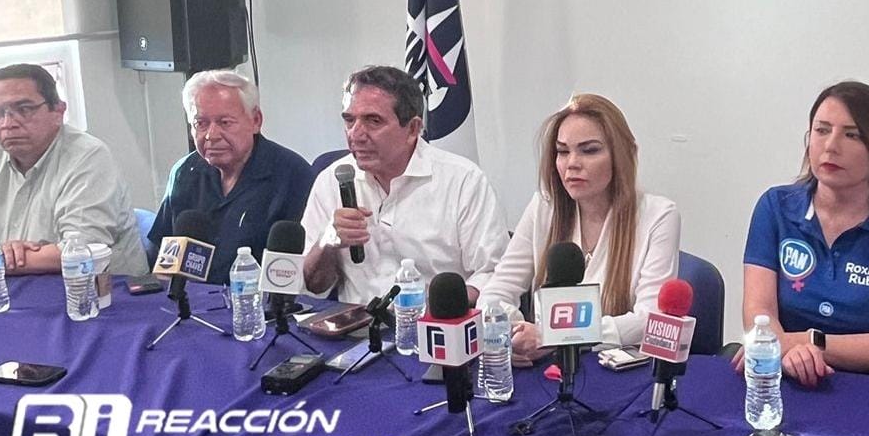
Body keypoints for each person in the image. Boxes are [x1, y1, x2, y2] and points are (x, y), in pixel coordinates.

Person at [733, 81, 869, 386]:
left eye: (851, 135)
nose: (831, 146)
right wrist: (787, 352)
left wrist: (807, 343)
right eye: (822, 130)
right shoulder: (775, 207)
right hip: (784, 375)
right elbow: (759, 313)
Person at [478, 94, 681, 365]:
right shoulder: (544, 207)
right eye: (563, 151)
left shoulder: (658, 215)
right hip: (547, 369)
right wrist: (510, 334)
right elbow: (494, 294)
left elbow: (651, 320)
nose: (572, 163)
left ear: (621, 156)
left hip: (618, 373)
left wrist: (553, 336)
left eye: (589, 150)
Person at [300, 65, 508, 303]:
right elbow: (313, 286)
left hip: (434, 320)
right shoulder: (331, 180)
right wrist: (328, 241)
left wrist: (439, 304)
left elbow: (494, 274)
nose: (355, 134)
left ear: (413, 129)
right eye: (349, 120)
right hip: (356, 323)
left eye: (373, 121)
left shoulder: (463, 181)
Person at [0, 64, 146, 278]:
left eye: (24, 109)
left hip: (100, 290)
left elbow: (81, 251)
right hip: (9, 285)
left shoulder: (89, 156)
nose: (8, 123)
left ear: (58, 111)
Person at [146, 70, 315, 276]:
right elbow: (161, 261)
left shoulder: (293, 175)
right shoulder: (184, 172)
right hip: (190, 294)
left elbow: (306, 269)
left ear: (256, 121)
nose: (211, 135)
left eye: (225, 122)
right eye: (201, 124)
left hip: (258, 295)